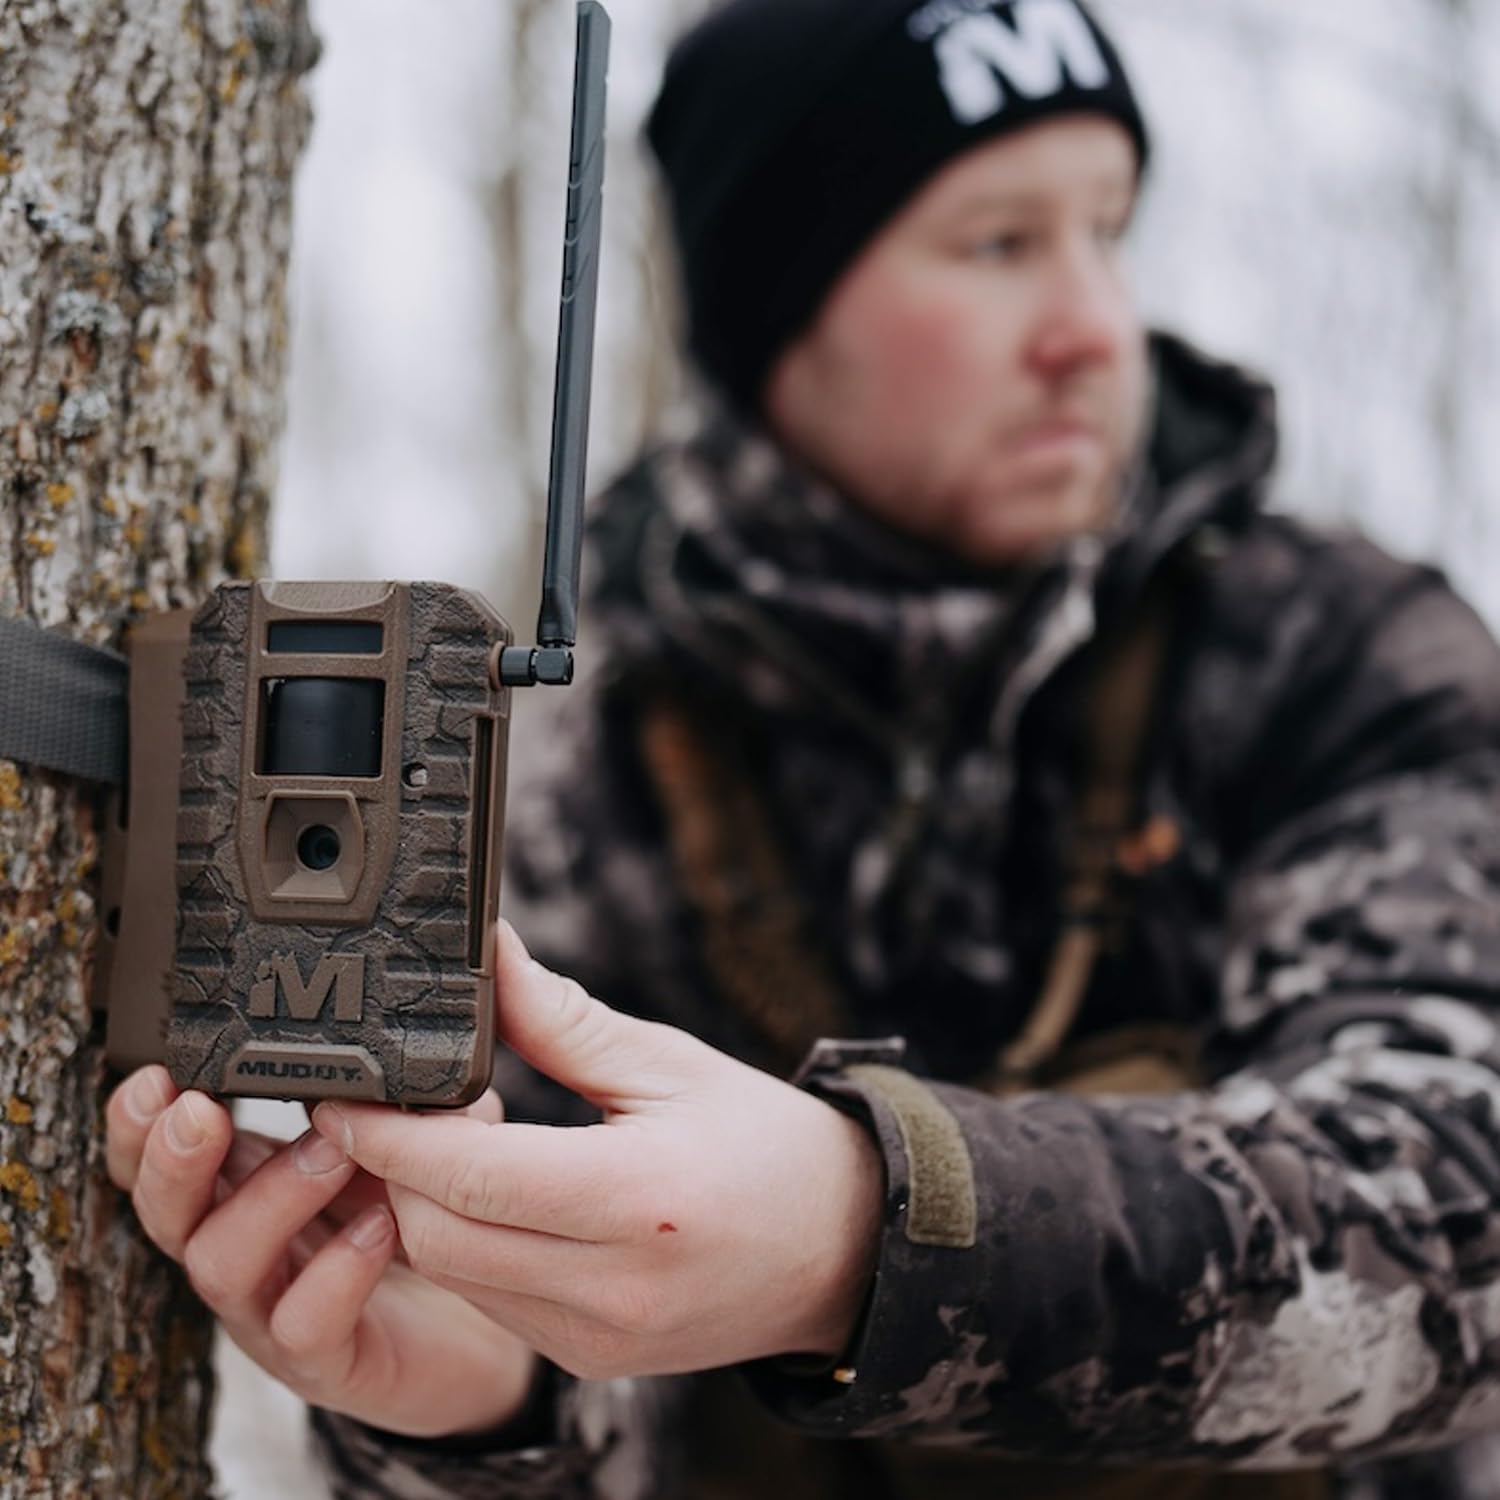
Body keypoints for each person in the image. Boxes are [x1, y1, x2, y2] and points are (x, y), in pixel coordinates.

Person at [107, 1, 1500, 1497]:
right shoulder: (595, 780)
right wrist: (492, 1401)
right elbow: (631, 1425)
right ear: (782, 323)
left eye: (1107, 231)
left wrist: (866, 1230)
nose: (1094, 327)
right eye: (998, 243)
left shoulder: (1338, 659)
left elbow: (1457, 1200)